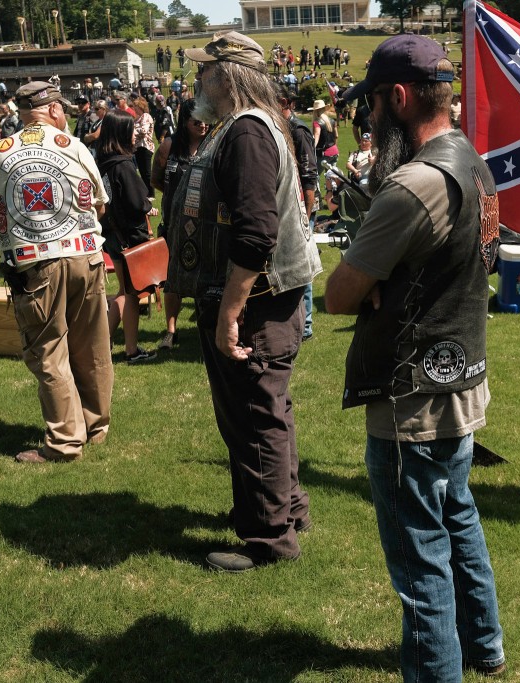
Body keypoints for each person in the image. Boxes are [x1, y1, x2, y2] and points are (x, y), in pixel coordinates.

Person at [323, 34, 506, 682]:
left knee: (421, 564)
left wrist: (373, 279)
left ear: (398, 97)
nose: (367, 117)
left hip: (413, 400)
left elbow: (338, 292)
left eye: (372, 103)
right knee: (458, 519)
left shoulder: (414, 183)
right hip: (461, 380)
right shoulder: (475, 164)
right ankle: (484, 646)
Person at [174, 31, 321, 572]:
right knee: (266, 410)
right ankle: (286, 509)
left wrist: (231, 312)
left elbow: (256, 233)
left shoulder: (246, 133)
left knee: (254, 416)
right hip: (259, 298)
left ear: (226, 75)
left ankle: (268, 539)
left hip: (254, 302)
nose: (196, 82)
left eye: (203, 72)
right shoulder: (246, 127)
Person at [0, 81, 113, 463]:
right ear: (51, 109)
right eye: (62, 109)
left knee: (49, 352)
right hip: (86, 256)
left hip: (34, 265)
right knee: (92, 344)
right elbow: (99, 205)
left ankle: (65, 443)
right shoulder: (75, 146)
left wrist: (17, 239)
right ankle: (94, 426)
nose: (65, 115)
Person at [97, 108, 156, 364]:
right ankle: (129, 350)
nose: (136, 134)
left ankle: (104, 348)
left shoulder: (102, 162)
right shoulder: (123, 165)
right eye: (132, 129)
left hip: (111, 234)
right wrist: (147, 206)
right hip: (128, 238)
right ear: (121, 133)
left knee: (124, 291)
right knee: (130, 293)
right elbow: (135, 202)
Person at [151, 98, 208, 352]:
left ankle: (205, 325)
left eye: (206, 119)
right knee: (172, 278)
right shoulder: (169, 147)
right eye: (197, 120)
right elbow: (156, 179)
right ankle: (171, 331)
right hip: (175, 224)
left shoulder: (212, 144)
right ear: (185, 121)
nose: (203, 125)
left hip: (206, 224)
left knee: (205, 275)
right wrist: (180, 200)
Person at [277, 84, 318, 341]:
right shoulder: (280, 128)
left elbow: (309, 176)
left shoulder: (298, 129)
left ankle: (306, 326)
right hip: (286, 207)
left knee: (303, 268)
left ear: (285, 102)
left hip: (302, 209)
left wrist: (306, 215)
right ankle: (292, 322)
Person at [132, 96, 156, 195]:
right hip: (138, 148)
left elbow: (143, 131)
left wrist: (133, 133)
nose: (134, 108)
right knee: (142, 171)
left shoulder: (146, 116)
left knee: (147, 172)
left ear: (141, 107)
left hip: (145, 147)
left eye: (135, 106)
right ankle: (146, 192)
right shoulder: (137, 118)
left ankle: (151, 193)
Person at [310, 98, 338, 176]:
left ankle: (316, 189)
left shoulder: (317, 122)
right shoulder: (332, 120)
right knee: (332, 177)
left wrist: (311, 150)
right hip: (334, 151)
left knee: (315, 175)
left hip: (324, 154)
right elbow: (336, 136)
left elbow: (316, 137)